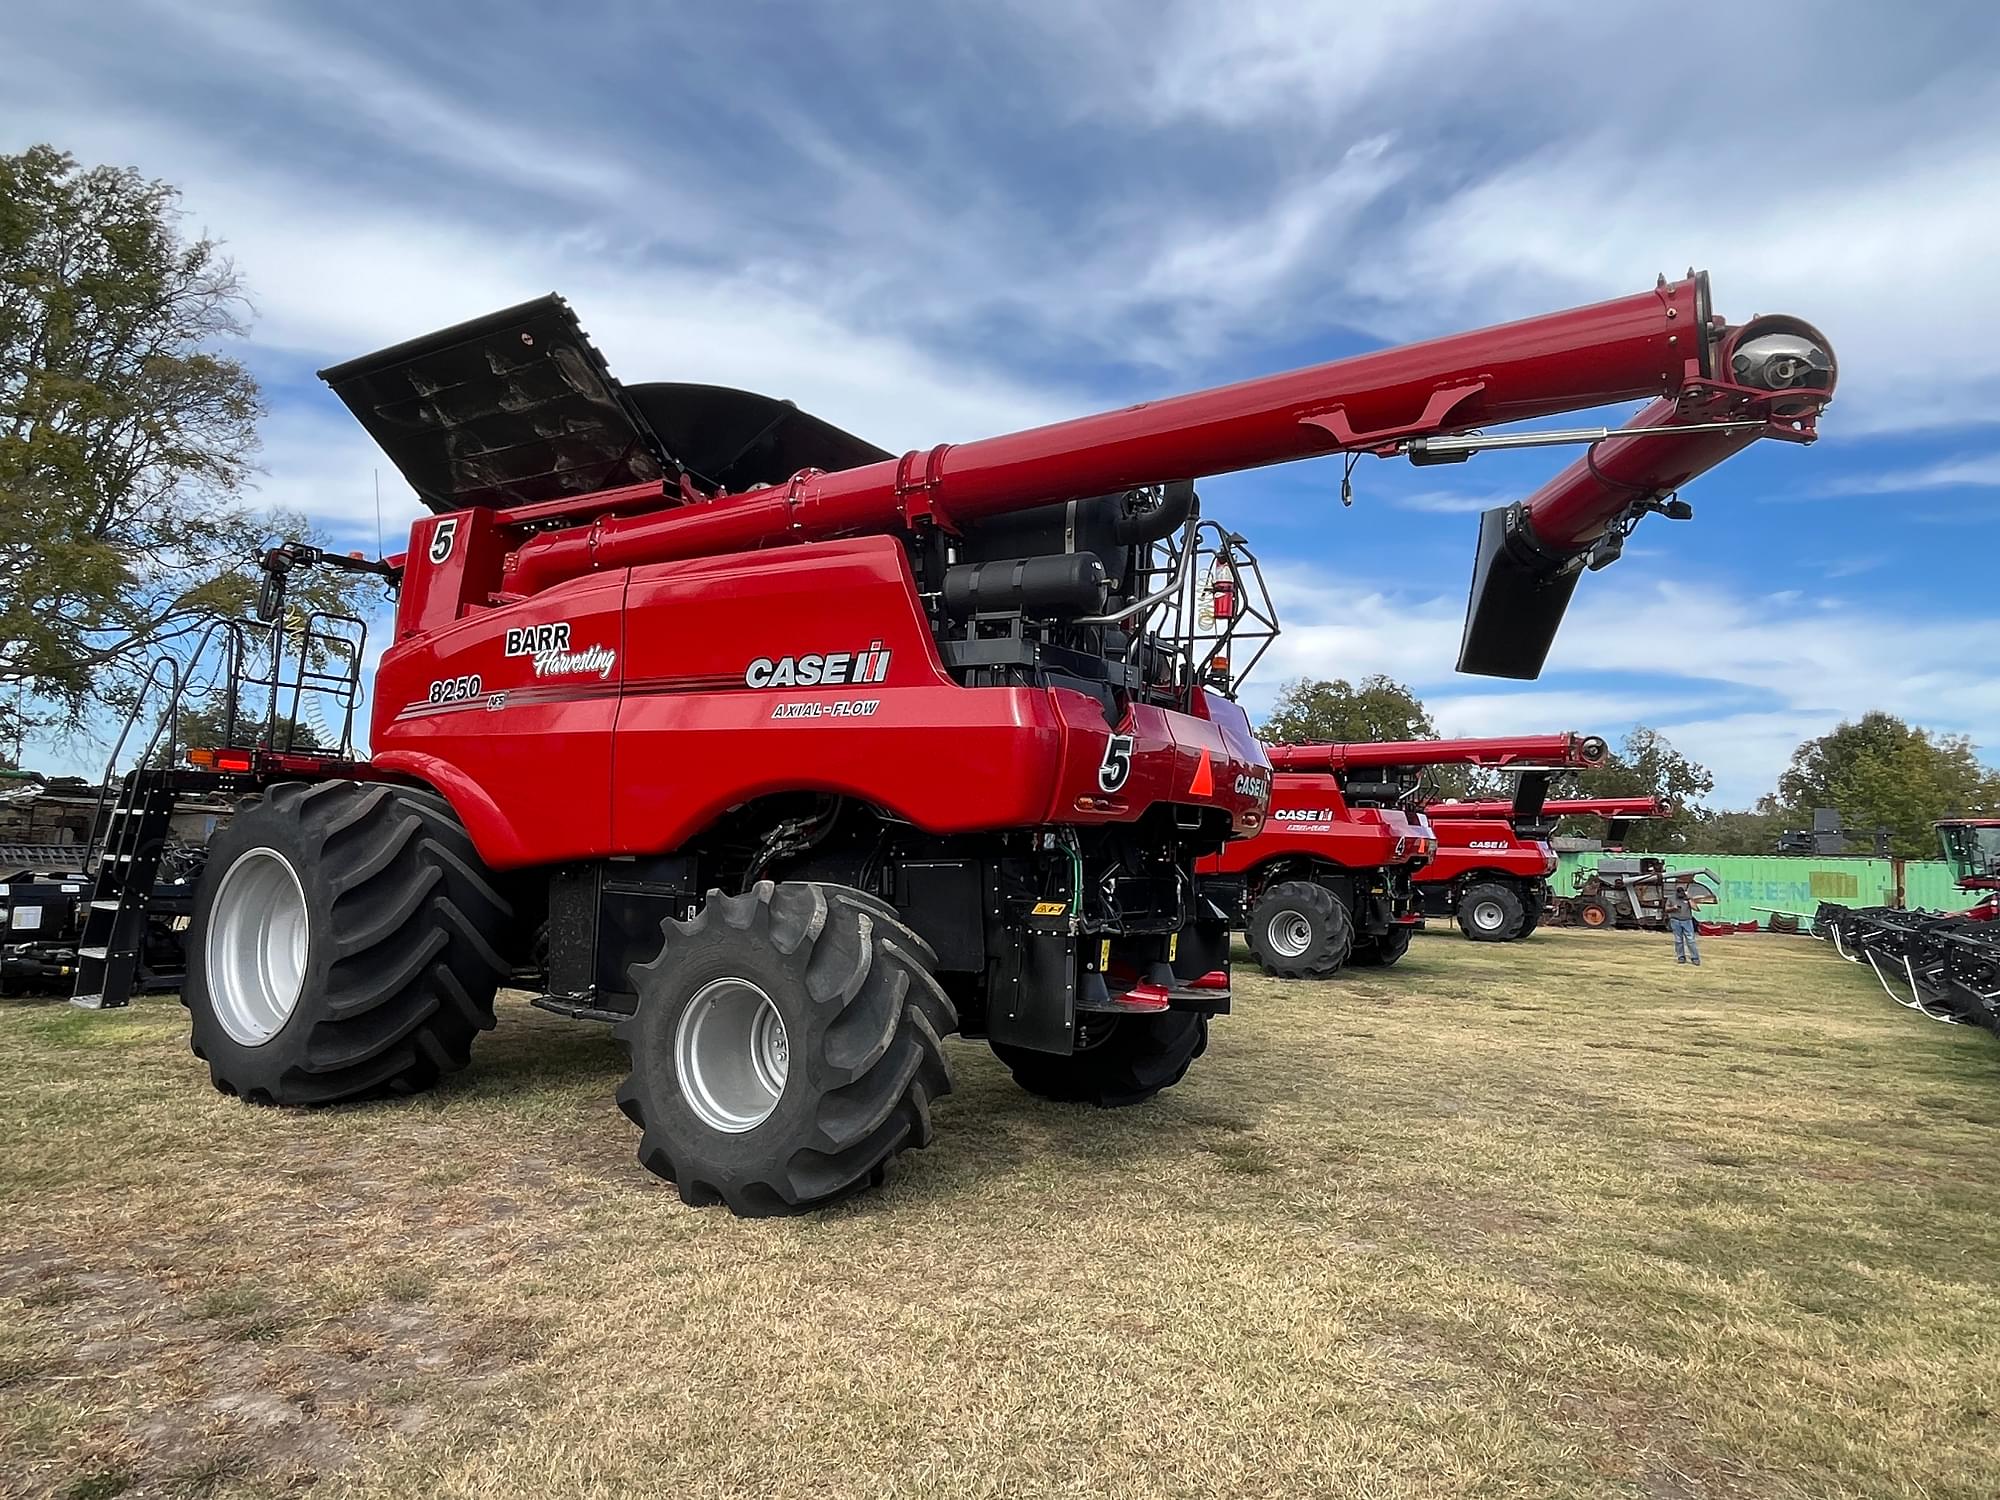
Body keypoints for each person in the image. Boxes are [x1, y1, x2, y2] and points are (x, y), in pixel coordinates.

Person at [1666, 882, 1701, 965]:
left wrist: (1689, 899)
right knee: (1678, 940)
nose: (1680, 895)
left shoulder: (1687, 898)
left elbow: (1696, 909)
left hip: (1687, 921)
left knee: (1691, 940)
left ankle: (1695, 958)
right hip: (1675, 921)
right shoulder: (1671, 898)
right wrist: (1673, 908)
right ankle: (1681, 957)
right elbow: (1666, 909)